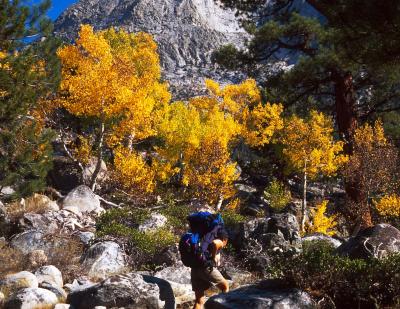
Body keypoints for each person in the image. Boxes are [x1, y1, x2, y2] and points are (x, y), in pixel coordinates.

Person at [190, 228, 229, 309]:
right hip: (205, 267)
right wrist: (213, 257)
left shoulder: (204, 237)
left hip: (194, 267)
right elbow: (215, 243)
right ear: (225, 239)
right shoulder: (221, 238)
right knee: (225, 286)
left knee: (199, 300)